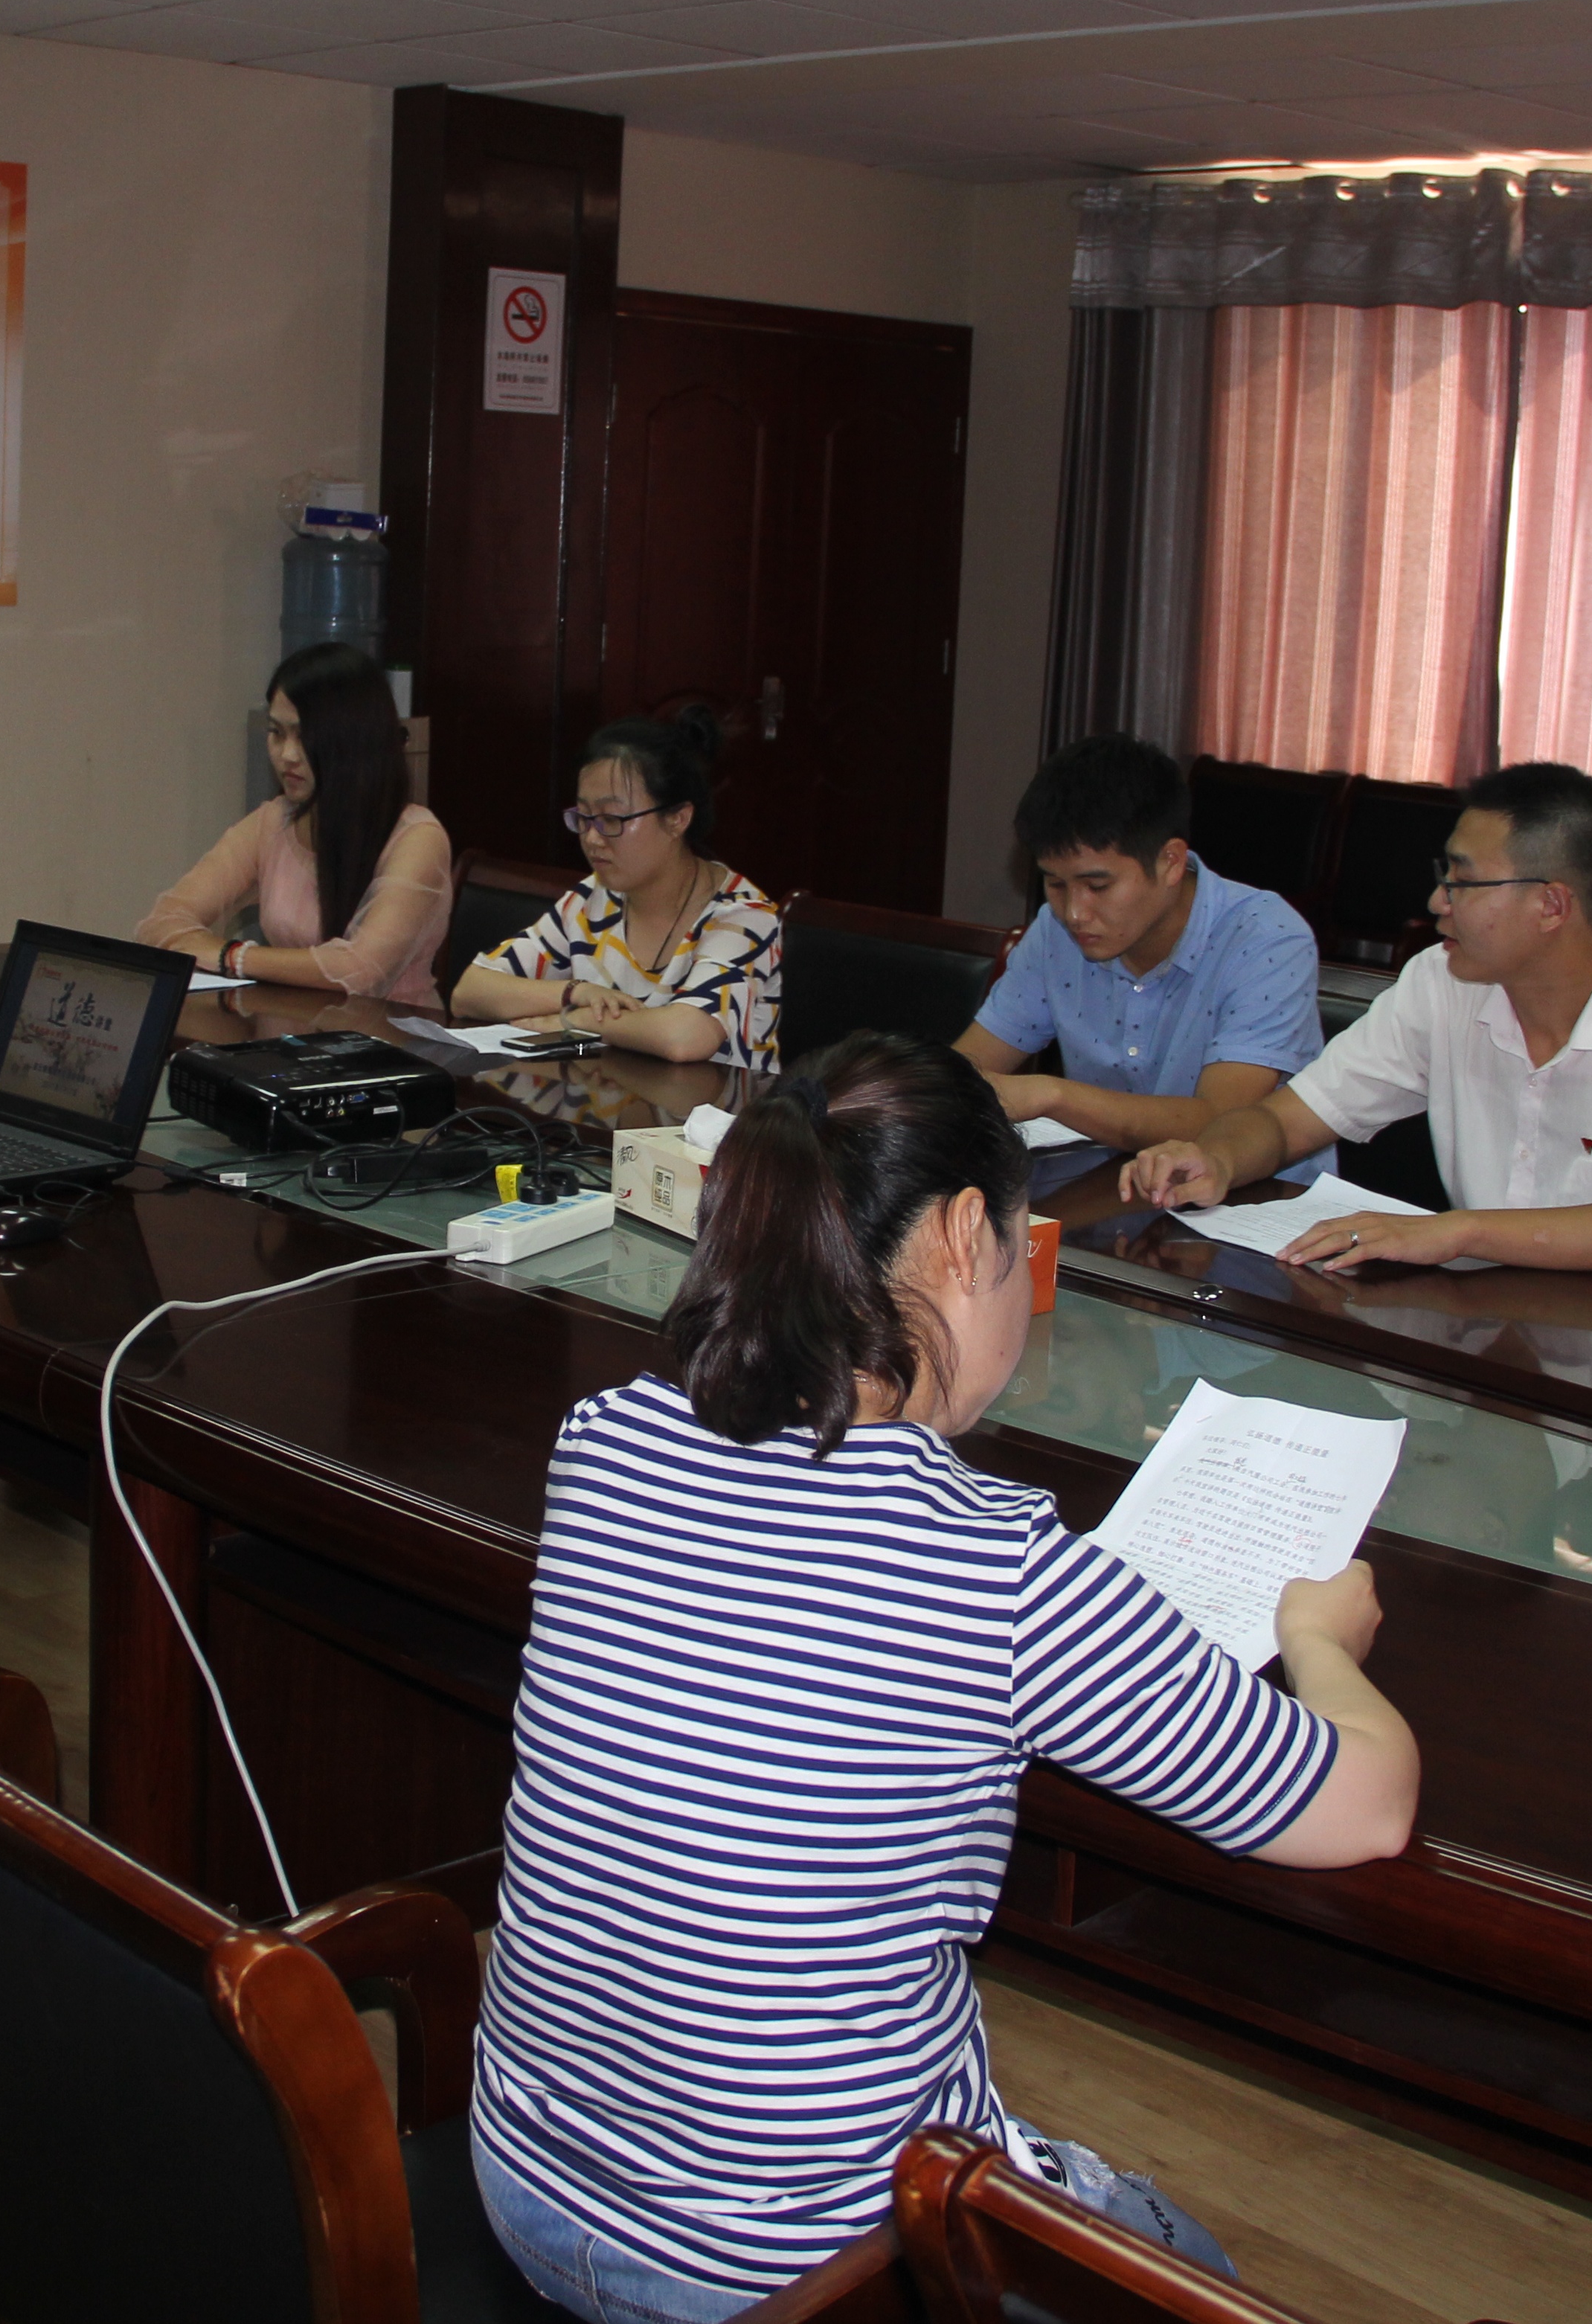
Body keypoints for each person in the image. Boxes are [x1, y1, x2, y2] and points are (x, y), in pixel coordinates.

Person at [472, 1033, 1419, 2319]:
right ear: (970, 1233)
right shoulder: (991, 1564)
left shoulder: (607, 1441)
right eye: (1025, 1249)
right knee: (1196, 2278)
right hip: (802, 2275)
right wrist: (1317, 1639)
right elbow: (1364, 1808)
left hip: (529, 2180)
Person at [1123, 763, 1592, 1280]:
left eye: (1463, 882)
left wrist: (1456, 1232)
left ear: (1551, 905)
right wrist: (1219, 1158)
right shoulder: (1442, 984)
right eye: (1443, 875)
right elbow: (1286, 1121)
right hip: (1497, 1328)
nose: (1436, 902)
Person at [952, 732, 1326, 1161]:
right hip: (1103, 1181)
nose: (1074, 912)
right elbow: (968, 1069)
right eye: (1055, 884)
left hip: (1253, 1197)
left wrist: (1051, 1096)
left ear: (1170, 862)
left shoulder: (1267, 940)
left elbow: (1224, 1124)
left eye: (1098, 886)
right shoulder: (1055, 932)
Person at [450, 712, 782, 1067]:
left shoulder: (745, 916)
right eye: (584, 818)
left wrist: (576, 1020)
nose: (592, 838)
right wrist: (575, 993)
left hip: (715, 1102)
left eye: (611, 819)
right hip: (611, 1097)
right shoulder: (595, 900)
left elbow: (685, 1037)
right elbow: (469, 992)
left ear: (677, 819)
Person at [136, 641, 452, 1007]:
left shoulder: (417, 838)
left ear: (354, 740)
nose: (287, 755)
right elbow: (160, 923)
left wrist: (233, 956)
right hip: (291, 1028)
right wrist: (214, 951)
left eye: (304, 737)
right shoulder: (273, 822)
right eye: (277, 733)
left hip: (390, 1036)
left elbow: (360, 971)